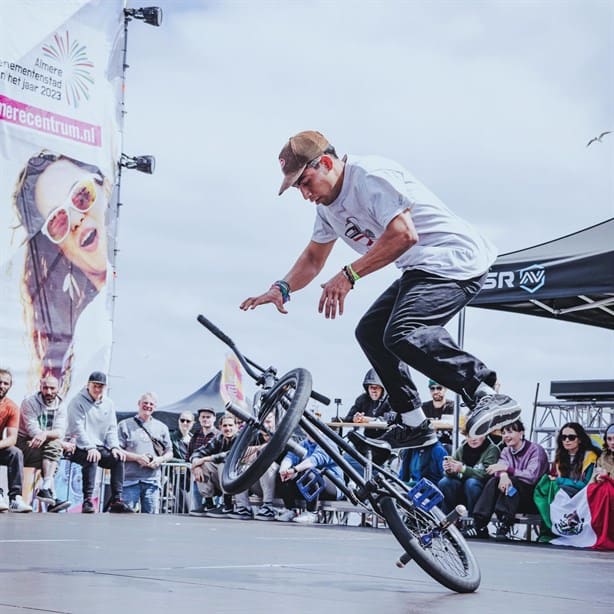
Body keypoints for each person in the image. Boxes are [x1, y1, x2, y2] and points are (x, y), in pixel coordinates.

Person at [240, 130, 521, 451]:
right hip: (422, 268)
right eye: (297, 189)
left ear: (327, 163)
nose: (305, 195)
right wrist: (283, 287)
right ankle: (413, 422)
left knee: (403, 332)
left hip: (454, 257)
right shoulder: (326, 210)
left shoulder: (369, 177)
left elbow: (404, 235)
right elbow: (314, 258)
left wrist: (349, 274)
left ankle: (485, 392)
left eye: (305, 183)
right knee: (371, 332)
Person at [13, 151, 113, 398]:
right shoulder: (68, 335)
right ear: (59, 248)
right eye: (59, 220)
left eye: (81, 195)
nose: (77, 220)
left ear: (102, 189)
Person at [470, 419, 549, 540]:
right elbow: (498, 469)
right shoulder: (506, 450)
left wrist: (508, 470)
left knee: (514, 482)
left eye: (510, 432)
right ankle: (479, 525)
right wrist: (503, 475)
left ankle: (506, 524)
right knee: (494, 481)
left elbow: (532, 477)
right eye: (503, 433)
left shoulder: (535, 450)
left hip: (533, 497)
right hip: (511, 496)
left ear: (521, 433)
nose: (506, 436)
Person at [65, 371, 132, 513]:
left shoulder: (109, 403)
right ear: (88, 385)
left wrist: (114, 446)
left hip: (98, 446)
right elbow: (77, 428)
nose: (97, 389)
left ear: (105, 387)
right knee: (92, 459)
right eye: (95, 385)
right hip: (77, 446)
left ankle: (116, 500)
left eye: (101, 386)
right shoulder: (77, 401)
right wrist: (89, 447)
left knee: (118, 458)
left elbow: (111, 428)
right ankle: (87, 500)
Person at [533, 422, 600, 540]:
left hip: (582, 496)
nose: (567, 440)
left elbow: (585, 485)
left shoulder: (591, 457)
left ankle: (551, 530)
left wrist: (560, 481)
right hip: (563, 495)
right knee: (545, 485)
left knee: (553, 485)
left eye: (571, 437)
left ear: (579, 439)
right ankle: (549, 528)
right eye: (563, 437)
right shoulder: (560, 458)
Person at [17, 375, 71, 512]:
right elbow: (32, 430)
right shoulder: (29, 402)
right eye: (45, 387)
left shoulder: (61, 405)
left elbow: (59, 431)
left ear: (58, 389)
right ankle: (50, 495)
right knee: (54, 451)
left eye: (52, 388)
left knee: (54, 449)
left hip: (44, 444)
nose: (48, 391)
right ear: (40, 387)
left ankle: (46, 490)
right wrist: (57, 440)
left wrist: (47, 435)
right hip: (25, 443)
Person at [117, 392, 173, 513]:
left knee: (151, 522)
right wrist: (137, 458)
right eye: (145, 403)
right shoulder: (124, 425)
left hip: (152, 482)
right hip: (129, 481)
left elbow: (170, 452)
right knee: (124, 520)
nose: (148, 406)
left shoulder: (162, 427)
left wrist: (160, 459)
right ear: (138, 404)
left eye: (151, 404)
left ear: (155, 407)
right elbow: (117, 451)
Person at [190, 414, 249, 519]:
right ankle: (209, 504)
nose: (228, 428)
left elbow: (230, 455)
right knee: (202, 465)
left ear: (236, 426)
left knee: (223, 464)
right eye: (225, 426)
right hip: (223, 480)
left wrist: (205, 459)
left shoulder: (241, 438)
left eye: (231, 425)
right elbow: (198, 452)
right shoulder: (219, 438)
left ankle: (227, 505)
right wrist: (196, 464)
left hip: (240, 480)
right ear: (220, 427)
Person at [277, 434, 345, 524]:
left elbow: (314, 460)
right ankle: (290, 510)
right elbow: (289, 457)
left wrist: (294, 469)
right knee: (282, 474)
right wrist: (284, 470)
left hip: (333, 486)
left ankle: (312, 513)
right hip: (312, 486)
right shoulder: (303, 444)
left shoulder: (327, 442)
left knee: (309, 472)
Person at [437, 431, 500, 525]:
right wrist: (449, 470)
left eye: (477, 435)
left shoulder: (492, 449)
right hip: (461, 491)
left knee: (471, 483)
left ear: (484, 435)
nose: (473, 439)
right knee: (444, 482)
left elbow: (486, 474)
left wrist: (463, 469)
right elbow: (450, 474)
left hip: (482, 493)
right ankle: (450, 522)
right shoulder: (462, 449)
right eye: (469, 436)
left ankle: (475, 524)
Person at [0, 368, 33, 512]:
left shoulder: (11, 407)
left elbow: (12, 438)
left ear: (9, 386)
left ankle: (15, 498)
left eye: (5, 383)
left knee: (15, 453)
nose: (1, 386)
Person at [187, 407, 219, 514]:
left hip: (215, 477)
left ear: (214, 418)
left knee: (216, 512)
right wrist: (196, 467)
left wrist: (201, 464)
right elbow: (190, 454)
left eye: (208, 417)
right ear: (199, 419)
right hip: (197, 477)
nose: (205, 419)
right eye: (203, 417)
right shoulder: (196, 435)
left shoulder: (219, 435)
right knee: (198, 510)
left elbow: (218, 456)